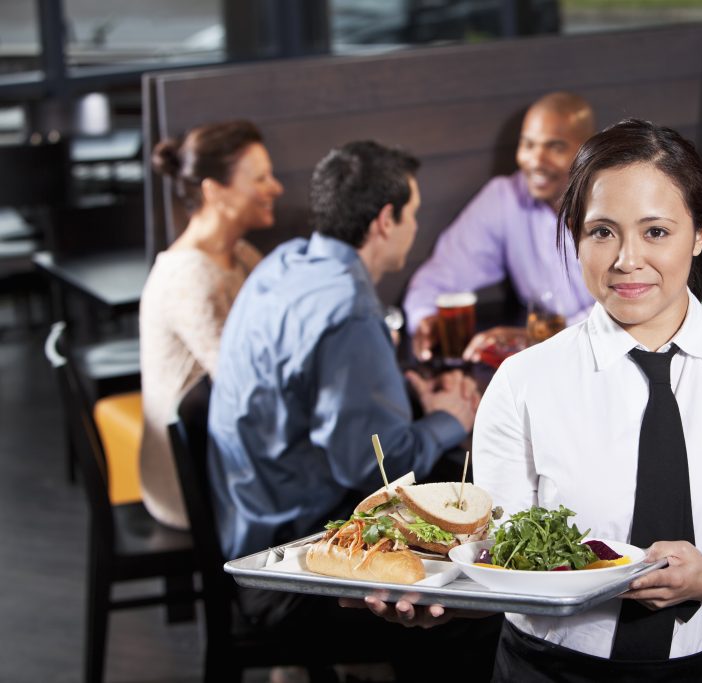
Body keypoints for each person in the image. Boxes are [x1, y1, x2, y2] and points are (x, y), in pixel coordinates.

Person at [347, 120, 702, 681]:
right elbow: (497, 557)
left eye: (656, 231)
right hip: (549, 670)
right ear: (574, 235)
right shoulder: (523, 380)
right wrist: (440, 601)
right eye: (602, 232)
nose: (627, 259)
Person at [206, 141, 501, 681]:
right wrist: (452, 418)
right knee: (483, 603)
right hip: (287, 565)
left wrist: (411, 399)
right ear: (386, 220)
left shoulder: (283, 264)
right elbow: (372, 470)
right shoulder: (348, 309)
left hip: (251, 520)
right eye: (413, 214)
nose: (414, 226)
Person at [139, 119, 281, 529]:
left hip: (222, 450)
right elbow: (243, 390)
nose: (275, 188)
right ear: (214, 191)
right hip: (189, 477)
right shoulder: (189, 276)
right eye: (261, 179)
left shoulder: (240, 254)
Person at [403, 91, 596, 362]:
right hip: (548, 362)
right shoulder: (505, 198)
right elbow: (439, 276)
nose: (536, 161)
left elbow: (627, 312)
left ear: (586, 152)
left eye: (555, 147)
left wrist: (539, 339)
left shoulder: (615, 203)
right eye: (528, 145)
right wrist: (425, 319)